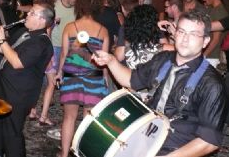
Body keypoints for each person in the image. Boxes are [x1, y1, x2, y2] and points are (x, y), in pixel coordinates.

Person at [93, 10, 228, 157]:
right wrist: (111, 61)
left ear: (206, 41)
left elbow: (209, 142)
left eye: (193, 34)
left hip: (176, 150)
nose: (185, 39)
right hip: (146, 138)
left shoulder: (212, 84)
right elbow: (131, 80)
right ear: (175, 34)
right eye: (182, 32)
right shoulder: (162, 59)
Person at [0, 3, 54, 157]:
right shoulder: (24, 32)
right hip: (2, 89)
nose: (27, 15)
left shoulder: (42, 42)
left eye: (32, 13)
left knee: (11, 134)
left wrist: (2, 39)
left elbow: (17, 62)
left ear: (42, 20)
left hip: (18, 95)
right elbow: (7, 52)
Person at [56, 0, 110, 157]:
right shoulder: (103, 31)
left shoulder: (70, 27)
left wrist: (59, 73)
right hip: (94, 79)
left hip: (71, 78)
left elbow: (64, 54)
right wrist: (106, 79)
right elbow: (104, 61)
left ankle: (64, 155)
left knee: (68, 118)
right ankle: (81, 153)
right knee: (88, 121)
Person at [38, 0, 79, 126]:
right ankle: (41, 115)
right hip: (53, 47)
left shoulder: (76, 10)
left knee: (54, 81)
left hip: (67, 48)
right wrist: (48, 52)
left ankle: (36, 112)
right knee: (50, 82)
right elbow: (46, 29)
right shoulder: (54, 6)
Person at [201, 0, 228, 67]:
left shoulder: (220, 11)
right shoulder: (211, 8)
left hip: (212, 56)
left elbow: (216, 39)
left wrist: (203, 56)